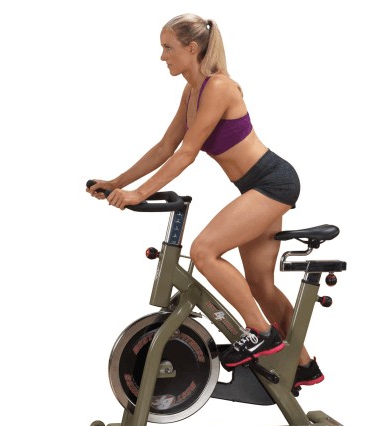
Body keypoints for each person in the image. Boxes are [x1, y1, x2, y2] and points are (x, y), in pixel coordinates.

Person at [87, 13, 323, 388]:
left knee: (204, 251)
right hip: (256, 187)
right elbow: (166, 146)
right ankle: (304, 364)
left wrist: (139, 193)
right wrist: (117, 182)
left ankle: (261, 332)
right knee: (260, 285)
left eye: (168, 48)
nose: (162, 56)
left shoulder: (219, 88)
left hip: (273, 183)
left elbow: (187, 153)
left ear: (192, 48)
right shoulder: (192, 91)